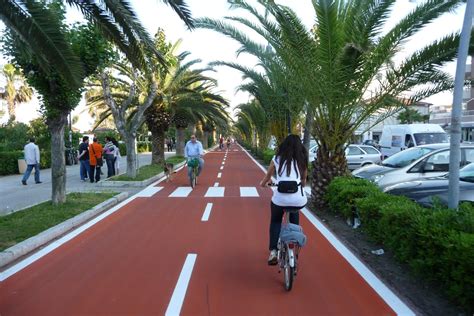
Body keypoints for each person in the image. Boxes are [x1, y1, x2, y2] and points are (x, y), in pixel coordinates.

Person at [260, 134, 308, 265]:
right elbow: (304, 181)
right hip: (298, 199)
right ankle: (295, 243)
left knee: (275, 221)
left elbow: (267, 176)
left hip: (280, 199)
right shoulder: (302, 160)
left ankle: (273, 251)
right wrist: (300, 184)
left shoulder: (276, 158)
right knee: (295, 210)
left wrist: (263, 184)